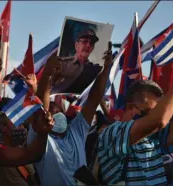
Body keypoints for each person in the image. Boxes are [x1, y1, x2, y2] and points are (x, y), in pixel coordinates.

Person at [96, 48, 173, 185]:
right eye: (149, 112)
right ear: (130, 108)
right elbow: (159, 121)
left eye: (157, 111)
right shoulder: (112, 133)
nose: (154, 117)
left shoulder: (154, 136)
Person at [28, 43, 112, 186]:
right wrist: (48, 74)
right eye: (50, 113)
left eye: (57, 112)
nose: (53, 116)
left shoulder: (76, 131)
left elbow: (94, 99)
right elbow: (41, 107)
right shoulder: (40, 139)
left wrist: (105, 70)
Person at [51, 29, 103, 94]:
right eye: (85, 41)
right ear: (76, 45)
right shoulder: (62, 63)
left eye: (91, 43)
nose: (88, 45)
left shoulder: (95, 70)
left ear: (92, 48)